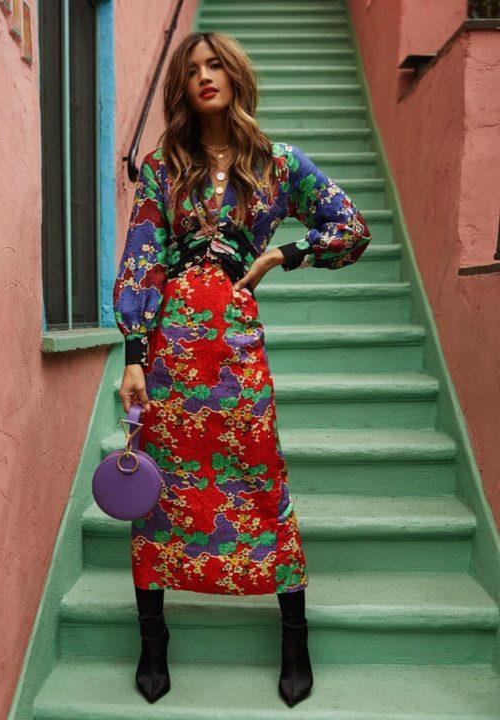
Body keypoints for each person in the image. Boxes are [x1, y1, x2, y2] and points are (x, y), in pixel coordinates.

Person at [112, 30, 371, 707]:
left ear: (235, 75)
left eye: (215, 65)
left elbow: (350, 228)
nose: (204, 76)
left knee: (260, 475)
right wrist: (133, 356)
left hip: (236, 350)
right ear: (181, 86)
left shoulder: (278, 163)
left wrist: (284, 255)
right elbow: (142, 257)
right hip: (169, 351)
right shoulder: (163, 164)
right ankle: (153, 640)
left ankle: (294, 637)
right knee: (161, 489)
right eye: (192, 68)